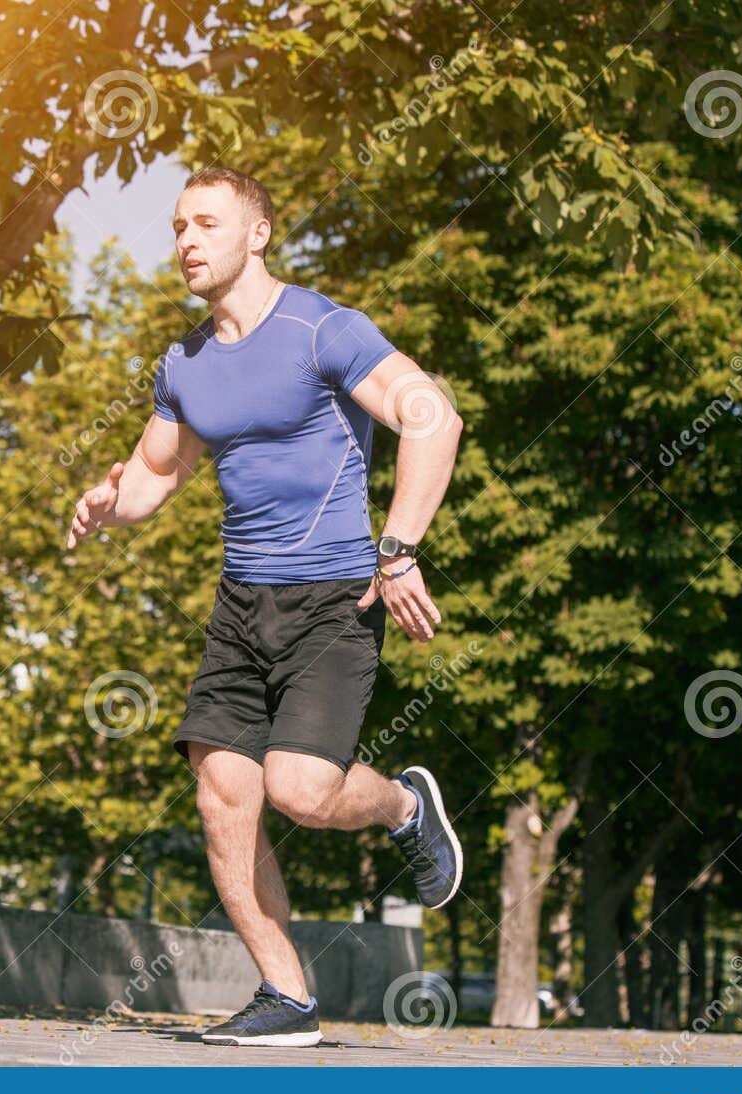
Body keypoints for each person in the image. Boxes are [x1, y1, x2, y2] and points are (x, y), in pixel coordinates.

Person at [64, 166, 463, 1047]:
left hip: (334, 596)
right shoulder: (185, 363)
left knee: (299, 787)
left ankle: (402, 806)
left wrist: (397, 548)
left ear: (259, 232)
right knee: (223, 793)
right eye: (177, 226)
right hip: (242, 602)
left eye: (206, 222)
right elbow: (157, 474)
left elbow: (433, 416)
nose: (187, 240)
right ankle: (287, 995)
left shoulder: (322, 327)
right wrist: (108, 495)